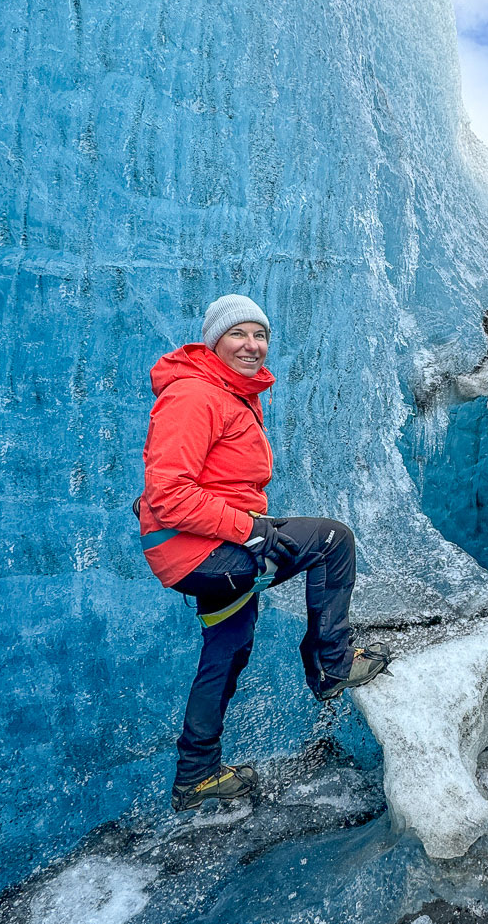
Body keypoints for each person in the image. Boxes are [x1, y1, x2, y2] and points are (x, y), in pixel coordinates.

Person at [137, 293, 390, 811]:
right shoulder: (194, 395)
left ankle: (196, 774)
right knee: (332, 540)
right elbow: (168, 494)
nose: (252, 346)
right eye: (239, 334)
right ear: (214, 340)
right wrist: (248, 528)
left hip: (211, 545)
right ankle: (333, 664)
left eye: (261, 336)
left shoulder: (227, 394)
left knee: (227, 646)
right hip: (205, 550)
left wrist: (243, 526)